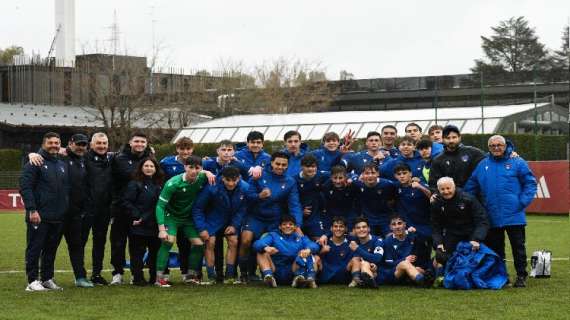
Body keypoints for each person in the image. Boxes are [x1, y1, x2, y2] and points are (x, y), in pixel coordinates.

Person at [464, 135, 537, 288]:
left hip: (514, 214)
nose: (496, 148)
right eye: (492, 145)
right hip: (491, 215)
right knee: (497, 249)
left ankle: (521, 275)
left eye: (499, 145)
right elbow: (471, 186)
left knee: (518, 247)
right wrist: (476, 206)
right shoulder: (483, 165)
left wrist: (522, 202)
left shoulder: (517, 162)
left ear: (505, 146)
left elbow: (530, 183)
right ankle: (502, 276)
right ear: (488, 148)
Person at [237, 151, 302, 283]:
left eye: (284, 165)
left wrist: (298, 225)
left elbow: (294, 204)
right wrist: (259, 196)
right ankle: (245, 273)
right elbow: (248, 196)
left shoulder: (290, 182)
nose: (280, 167)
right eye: (277, 163)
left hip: (275, 219)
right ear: (271, 163)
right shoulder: (259, 174)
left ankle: (269, 272)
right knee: (246, 240)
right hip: (256, 216)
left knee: (274, 245)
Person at [20, 132, 70, 291]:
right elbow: (25, 187)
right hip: (39, 215)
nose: (54, 145)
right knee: (35, 247)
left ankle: (47, 278)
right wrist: (32, 210)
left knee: (51, 249)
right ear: (43, 144)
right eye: (51, 143)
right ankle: (32, 280)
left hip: (58, 216)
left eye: (57, 142)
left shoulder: (61, 164)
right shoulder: (34, 162)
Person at [155, 155, 208, 287]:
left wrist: (208, 172)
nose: (194, 171)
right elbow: (160, 206)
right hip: (171, 217)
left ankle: (190, 276)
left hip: (188, 218)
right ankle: (159, 278)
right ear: (185, 167)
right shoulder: (173, 183)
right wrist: (161, 229)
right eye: (191, 167)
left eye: (197, 168)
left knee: (199, 244)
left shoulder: (202, 177)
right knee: (168, 241)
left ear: (201, 168)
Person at [192, 166, 249, 284]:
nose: (231, 183)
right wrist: (202, 228)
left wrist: (234, 225)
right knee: (210, 241)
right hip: (213, 219)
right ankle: (211, 277)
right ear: (222, 178)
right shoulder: (212, 187)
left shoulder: (245, 187)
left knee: (233, 240)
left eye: (234, 180)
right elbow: (198, 208)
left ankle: (229, 276)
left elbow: (243, 209)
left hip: (232, 219)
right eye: (228, 180)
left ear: (239, 178)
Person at [430, 177, 489, 277]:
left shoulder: (468, 199)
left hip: (470, 234)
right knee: (440, 256)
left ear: (454, 187)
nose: (446, 191)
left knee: (475, 262)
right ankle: (439, 275)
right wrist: (438, 243)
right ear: (438, 190)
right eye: (442, 189)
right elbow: (436, 226)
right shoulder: (437, 202)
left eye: (448, 188)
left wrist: (477, 239)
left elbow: (482, 221)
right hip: (452, 234)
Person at [58, 134, 93, 288]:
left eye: (84, 144)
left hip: (78, 213)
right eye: (78, 144)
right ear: (70, 143)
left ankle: (80, 277)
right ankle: (45, 277)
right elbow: (43, 155)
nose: (81, 147)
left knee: (77, 246)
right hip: (59, 212)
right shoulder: (60, 157)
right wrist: (34, 153)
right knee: (50, 246)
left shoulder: (85, 160)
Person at [159, 137, 194, 283]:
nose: (185, 152)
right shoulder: (166, 162)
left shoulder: (196, 164)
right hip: (169, 210)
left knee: (185, 243)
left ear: (192, 149)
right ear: (177, 149)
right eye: (182, 148)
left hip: (186, 211)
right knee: (167, 242)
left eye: (188, 149)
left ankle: (186, 273)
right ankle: (163, 274)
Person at [123, 157, 164, 286]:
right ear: (141, 167)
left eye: (152, 166)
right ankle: (137, 277)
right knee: (137, 254)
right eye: (146, 166)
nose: (149, 168)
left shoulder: (159, 184)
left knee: (155, 253)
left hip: (154, 224)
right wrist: (137, 216)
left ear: (156, 169)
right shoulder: (134, 183)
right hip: (138, 225)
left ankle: (154, 278)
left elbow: (160, 205)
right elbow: (126, 202)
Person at [253, 214, 320, 288]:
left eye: (291, 224)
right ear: (280, 227)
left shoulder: (301, 238)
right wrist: (265, 247)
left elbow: (314, 245)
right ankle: (269, 276)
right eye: (284, 224)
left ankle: (303, 278)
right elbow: (257, 243)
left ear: (295, 227)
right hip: (275, 271)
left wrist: (308, 249)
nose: (287, 226)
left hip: (293, 271)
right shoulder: (273, 236)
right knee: (261, 251)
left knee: (311, 255)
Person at [84, 132, 114, 285]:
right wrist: (32, 154)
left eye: (104, 143)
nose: (102, 146)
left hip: (104, 210)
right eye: (99, 143)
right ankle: (80, 275)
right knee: (79, 242)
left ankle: (96, 274)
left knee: (99, 242)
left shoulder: (112, 159)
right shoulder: (83, 158)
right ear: (91, 144)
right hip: (84, 209)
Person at [393, 163, 432, 268]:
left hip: (425, 224)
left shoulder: (420, 184)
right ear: (395, 176)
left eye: (404, 173)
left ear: (410, 173)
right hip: (409, 224)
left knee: (427, 249)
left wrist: (420, 187)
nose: (401, 176)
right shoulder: (396, 187)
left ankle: (428, 270)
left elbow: (433, 198)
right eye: (399, 174)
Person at [377, 214, 432, 286]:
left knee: (418, 269)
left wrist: (416, 231)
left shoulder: (412, 235)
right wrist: (405, 259)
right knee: (405, 264)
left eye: (399, 223)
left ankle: (415, 279)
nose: (397, 227)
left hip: (410, 268)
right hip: (394, 272)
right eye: (394, 224)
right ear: (390, 227)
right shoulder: (387, 241)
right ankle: (424, 282)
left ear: (405, 224)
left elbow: (428, 240)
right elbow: (389, 263)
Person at [428, 125, 486, 190]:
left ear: (459, 137)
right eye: (448, 138)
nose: (451, 141)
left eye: (454, 137)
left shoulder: (472, 152)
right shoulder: (438, 160)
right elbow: (433, 183)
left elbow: (487, 162)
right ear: (443, 139)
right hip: (449, 198)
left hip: (472, 196)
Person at [353, 163, 396, 236]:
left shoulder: (387, 185)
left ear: (378, 173)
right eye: (367, 173)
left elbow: (394, 198)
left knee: (390, 238)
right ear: (362, 175)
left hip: (385, 218)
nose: (370, 175)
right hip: (368, 220)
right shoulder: (357, 185)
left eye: (373, 173)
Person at [317, 217, 361, 287]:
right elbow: (314, 257)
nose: (338, 229)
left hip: (344, 274)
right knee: (315, 257)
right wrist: (322, 251)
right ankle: (311, 279)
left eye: (341, 226)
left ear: (346, 229)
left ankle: (356, 280)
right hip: (326, 274)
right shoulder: (323, 241)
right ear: (331, 228)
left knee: (356, 258)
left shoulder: (352, 241)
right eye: (335, 226)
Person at [295, 154, 329, 240]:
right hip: (298, 215)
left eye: (313, 166)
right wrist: (301, 210)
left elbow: (338, 173)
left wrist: (351, 178)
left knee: (320, 239)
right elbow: (291, 201)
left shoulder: (320, 175)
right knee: (298, 239)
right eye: (307, 166)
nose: (311, 169)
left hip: (315, 215)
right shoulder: (294, 180)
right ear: (302, 167)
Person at [349, 217, 384, 288]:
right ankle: (357, 279)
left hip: (374, 271)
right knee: (355, 259)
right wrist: (325, 235)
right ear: (354, 231)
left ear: (369, 229)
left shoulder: (378, 241)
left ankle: (367, 281)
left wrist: (357, 249)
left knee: (364, 263)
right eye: (358, 228)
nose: (361, 229)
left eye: (364, 227)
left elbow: (377, 258)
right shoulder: (352, 240)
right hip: (354, 268)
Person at [321, 165, 358, 230]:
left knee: (352, 233)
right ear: (331, 177)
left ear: (345, 177)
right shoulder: (326, 186)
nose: (338, 181)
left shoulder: (352, 185)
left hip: (349, 214)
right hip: (332, 215)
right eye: (335, 178)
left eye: (340, 178)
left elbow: (357, 176)